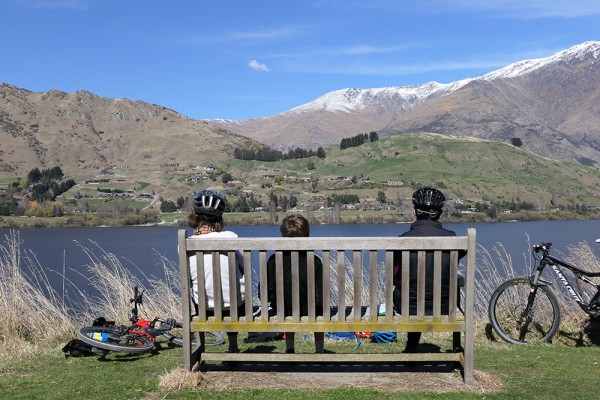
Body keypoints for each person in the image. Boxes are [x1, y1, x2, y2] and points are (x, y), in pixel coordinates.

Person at [393, 186, 465, 353]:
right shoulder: (452, 239)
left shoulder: (402, 241)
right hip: (445, 305)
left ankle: (411, 347)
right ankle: (456, 347)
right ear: (439, 214)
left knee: (411, 288)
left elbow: (395, 274)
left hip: (407, 306)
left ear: (414, 212)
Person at [187, 189, 244, 353]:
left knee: (198, 291)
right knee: (233, 290)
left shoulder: (187, 243)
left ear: (195, 216)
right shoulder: (231, 238)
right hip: (234, 306)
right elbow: (243, 266)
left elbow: (189, 279)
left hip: (203, 306)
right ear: (219, 218)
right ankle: (233, 346)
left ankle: (201, 348)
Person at [265, 214, 325, 353]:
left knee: (286, 305)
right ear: (307, 235)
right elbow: (320, 295)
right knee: (318, 310)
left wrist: (271, 300)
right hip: (310, 310)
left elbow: (266, 292)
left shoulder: (274, 260)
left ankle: (290, 348)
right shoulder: (315, 262)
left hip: (282, 310)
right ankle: (319, 350)